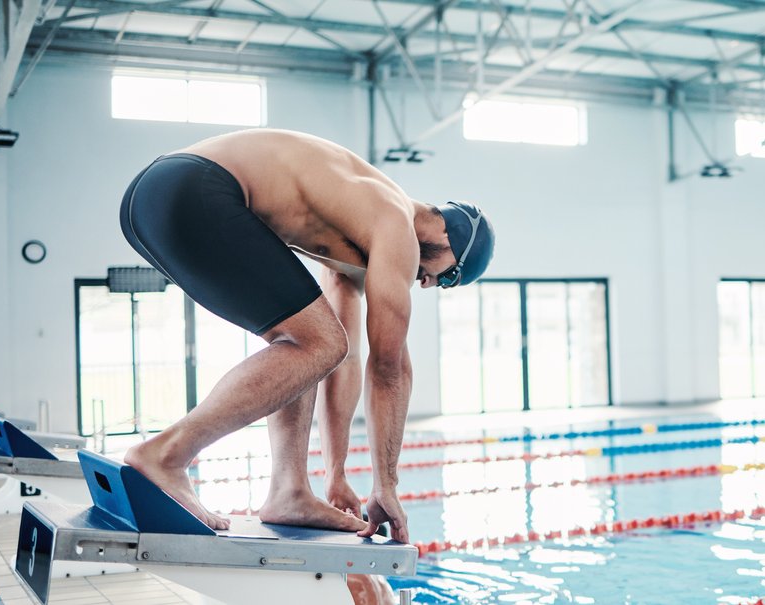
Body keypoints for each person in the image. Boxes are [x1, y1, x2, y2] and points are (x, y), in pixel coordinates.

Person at [118, 128, 495, 542]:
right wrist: (386, 485)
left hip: (151, 199)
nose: (428, 284)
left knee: (311, 341)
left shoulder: (356, 238)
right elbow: (390, 368)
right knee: (316, 342)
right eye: (448, 278)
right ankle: (166, 455)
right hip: (192, 188)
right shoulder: (396, 223)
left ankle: (290, 491)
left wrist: (336, 474)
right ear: (449, 237)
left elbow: (343, 358)